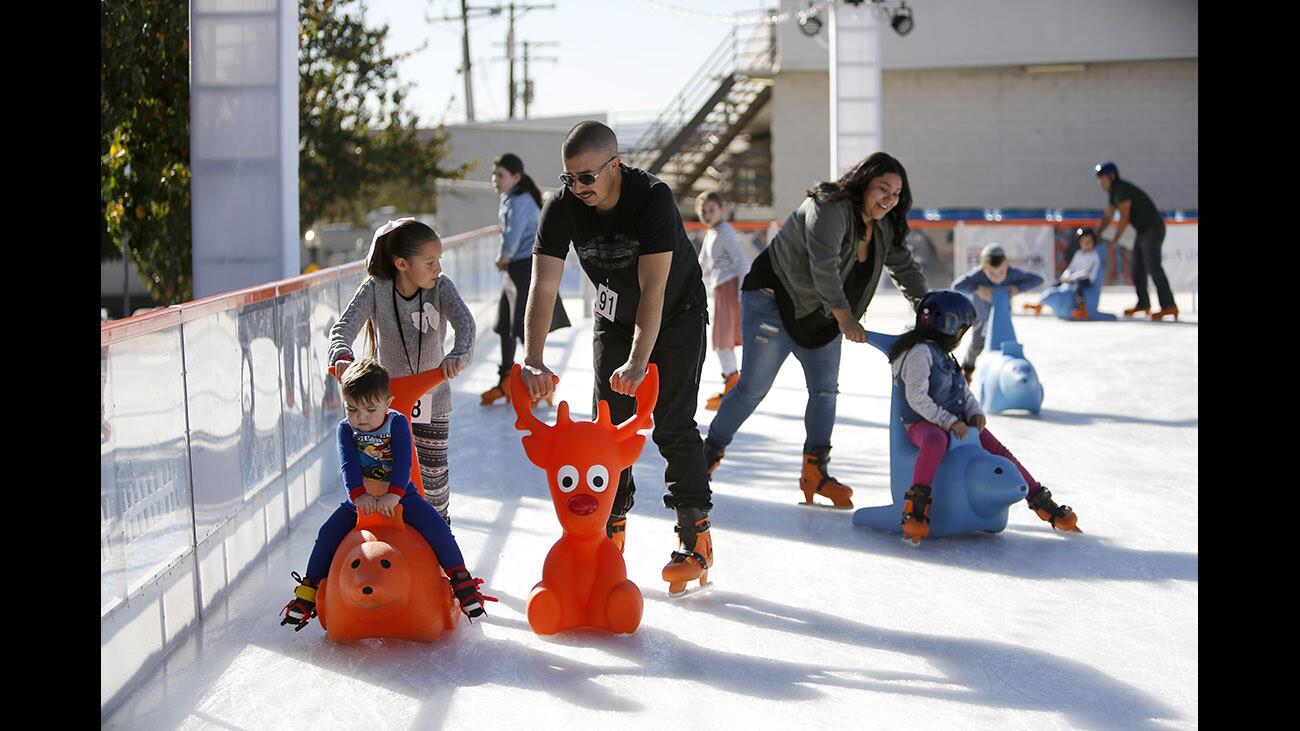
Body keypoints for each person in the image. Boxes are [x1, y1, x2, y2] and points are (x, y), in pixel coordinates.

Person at [519, 121, 714, 595]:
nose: (578, 187)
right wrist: (534, 357)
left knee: (671, 422)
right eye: (569, 177)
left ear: (615, 165)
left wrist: (638, 360)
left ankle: (695, 540)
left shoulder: (651, 198)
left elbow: (655, 288)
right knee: (606, 427)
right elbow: (543, 285)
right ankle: (608, 532)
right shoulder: (562, 206)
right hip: (614, 316)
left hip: (676, 313)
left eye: (587, 177)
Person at [703, 152, 930, 509]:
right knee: (752, 388)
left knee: (825, 391)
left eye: (896, 193)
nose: (889, 198)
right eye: (882, 188)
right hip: (773, 300)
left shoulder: (884, 226)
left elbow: (906, 269)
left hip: (823, 313)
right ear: (863, 184)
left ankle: (815, 472)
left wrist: (928, 311)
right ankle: (705, 458)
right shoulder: (829, 207)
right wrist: (845, 319)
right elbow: (822, 266)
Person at [280, 359, 491, 630]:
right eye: (352, 408)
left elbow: (405, 461)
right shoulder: (346, 428)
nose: (362, 417)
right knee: (327, 534)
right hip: (360, 499)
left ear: (387, 402)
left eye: (370, 408)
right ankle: (308, 591)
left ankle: (462, 581)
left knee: (438, 528)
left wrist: (394, 494)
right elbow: (348, 464)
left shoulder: (397, 423)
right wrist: (358, 496)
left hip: (402, 496)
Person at [888, 290, 1081, 545]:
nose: (959, 334)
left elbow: (962, 390)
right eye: (956, 327)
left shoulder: (944, 354)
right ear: (937, 323)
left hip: (955, 421)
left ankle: (1041, 502)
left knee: (999, 450)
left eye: (962, 329)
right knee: (935, 441)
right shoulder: (919, 353)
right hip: (923, 423)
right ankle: (915, 509)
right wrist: (948, 422)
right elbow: (916, 397)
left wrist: (974, 412)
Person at [329, 219, 475, 524]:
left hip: (434, 399)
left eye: (439, 261)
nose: (437, 269)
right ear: (402, 264)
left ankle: (439, 532)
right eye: (430, 262)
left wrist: (457, 355)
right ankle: (395, 536)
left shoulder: (441, 287)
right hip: (387, 406)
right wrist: (343, 356)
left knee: (433, 476)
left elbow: (466, 325)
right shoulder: (376, 289)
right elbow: (342, 329)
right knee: (387, 475)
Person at [481, 153, 571, 407]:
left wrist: (503, 256)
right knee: (505, 324)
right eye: (494, 174)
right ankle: (506, 379)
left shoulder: (519, 200)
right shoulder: (512, 198)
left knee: (522, 327)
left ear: (516, 177)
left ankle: (539, 385)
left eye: (500, 175)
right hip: (516, 269)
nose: (495, 180)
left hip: (524, 267)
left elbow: (514, 234)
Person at [1094, 161, 1178, 320]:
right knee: (1136, 269)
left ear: (1112, 176)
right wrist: (1097, 234)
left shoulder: (1121, 188)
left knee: (1153, 267)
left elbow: (1124, 218)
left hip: (1152, 228)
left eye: (1102, 178)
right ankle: (1143, 304)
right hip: (1143, 231)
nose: (1101, 182)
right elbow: (1108, 216)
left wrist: (1114, 242)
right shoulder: (1114, 193)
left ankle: (1169, 306)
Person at [952, 243, 1044, 380]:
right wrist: (977, 288)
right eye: (991, 273)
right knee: (977, 347)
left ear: (1007, 265)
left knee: (1006, 346)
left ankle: (1006, 375)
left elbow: (1038, 279)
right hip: (983, 321)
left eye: (1001, 272)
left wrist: (1018, 288)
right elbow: (957, 286)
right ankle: (967, 372)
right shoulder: (978, 276)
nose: (997, 277)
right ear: (983, 268)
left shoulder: (1012, 275)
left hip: (1003, 320)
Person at [695, 191, 748, 410]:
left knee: (722, 340)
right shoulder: (712, 233)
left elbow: (742, 262)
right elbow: (702, 265)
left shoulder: (724, 231)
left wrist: (742, 294)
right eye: (703, 211)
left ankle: (733, 383)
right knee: (720, 340)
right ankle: (731, 380)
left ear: (721, 210)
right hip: (719, 289)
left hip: (729, 288)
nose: (707, 215)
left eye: (712, 210)